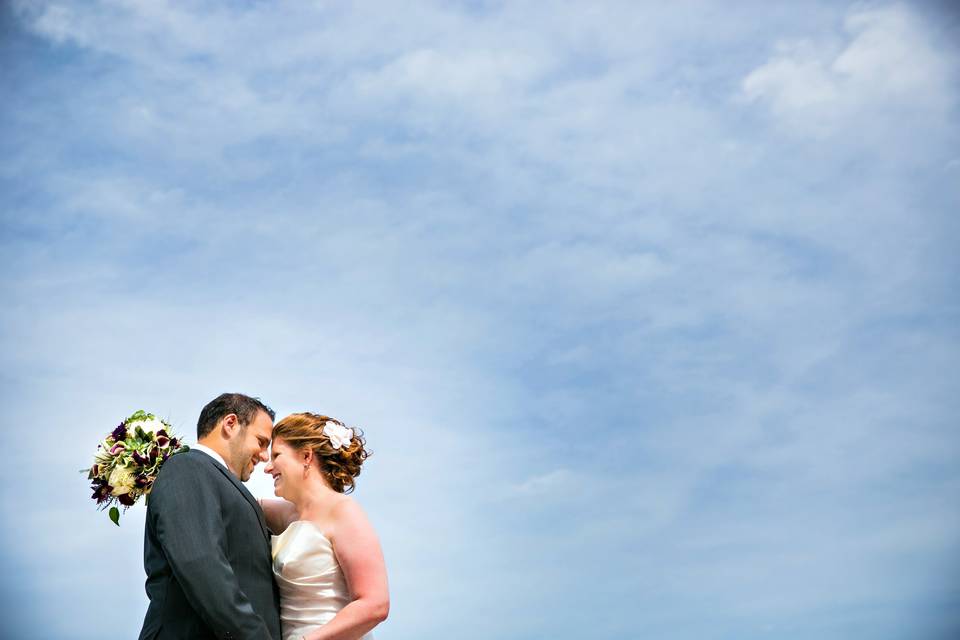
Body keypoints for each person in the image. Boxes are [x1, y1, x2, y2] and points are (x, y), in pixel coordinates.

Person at [138, 393, 282, 640]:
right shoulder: (187, 468)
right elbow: (201, 564)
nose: (265, 455)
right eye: (261, 441)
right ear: (230, 424)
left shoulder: (215, 480)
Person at [260, 412, 389, 640]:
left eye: (277, 455)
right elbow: (232, 501)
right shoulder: (286, 514)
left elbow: (375, 604)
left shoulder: (343, 511)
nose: (267, 468)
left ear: (306, 456)